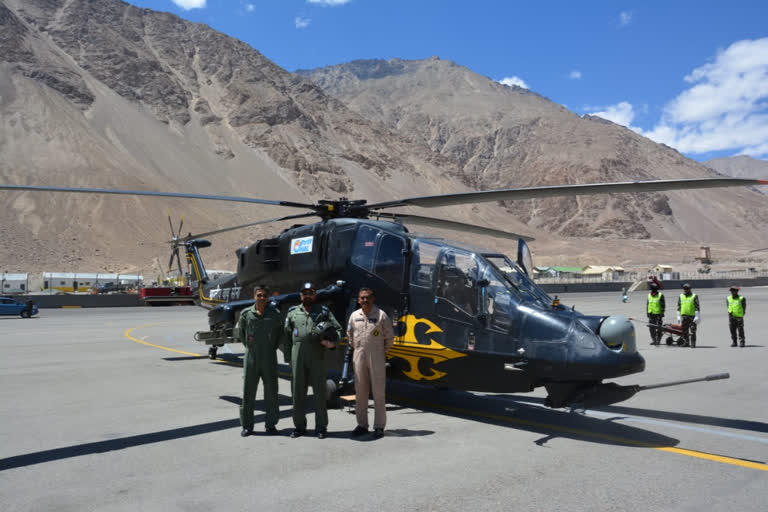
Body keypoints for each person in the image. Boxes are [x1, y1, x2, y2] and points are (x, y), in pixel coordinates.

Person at [282, 282, 342, 439]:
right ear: (300, 295)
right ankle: (299, 426)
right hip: (297, 357)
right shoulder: (292, 312)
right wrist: (288, 357)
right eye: (304, 293)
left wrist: (331, 343)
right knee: (297, 393)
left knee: (320, 394)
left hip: (317, 357)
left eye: (311, 293)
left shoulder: (323, 311)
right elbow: (287, 337)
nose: (307, 295)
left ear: (315, 294)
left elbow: (338, 330)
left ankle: (321, 427)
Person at [235, 285, 282, 437]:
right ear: (254, 296)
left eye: (264, 296)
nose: (262, 298)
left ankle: (271, 425)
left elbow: (279, 334)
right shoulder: (246, 314)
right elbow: (241, 334)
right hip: (251, 358)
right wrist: (251, 347)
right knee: (248, 393)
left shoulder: (274, 314)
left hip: (269, 358)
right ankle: (247, 426)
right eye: (259, 295)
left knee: (272, 393)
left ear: (268, 298)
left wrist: (270, 348)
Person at [347, 287, 395, 439]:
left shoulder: (381, 315)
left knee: (379, 393)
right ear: (359, 300)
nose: (365, 300)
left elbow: (390, 338)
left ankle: (379, 426)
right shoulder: (354, 316)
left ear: (373, 299)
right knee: (360, 392)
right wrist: (359, 349)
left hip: (377, 357)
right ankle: (362, 425)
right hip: (359, 355)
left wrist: (380, 352)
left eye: (368, 297)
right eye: (362, 298)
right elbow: (350, 335)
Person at [677, 283, 700, 348]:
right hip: (684, 316)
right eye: (684, 288)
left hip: (692, 316)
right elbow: (679, 306)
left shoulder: (694, 296)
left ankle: (693, 343)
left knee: (693, 330)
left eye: (687, 288)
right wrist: (678, 316)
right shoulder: (681, 296)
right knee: (684, 330)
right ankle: (686, 342)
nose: (685, 290)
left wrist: (697, 316)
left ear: (690, 289)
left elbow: (697, 306)